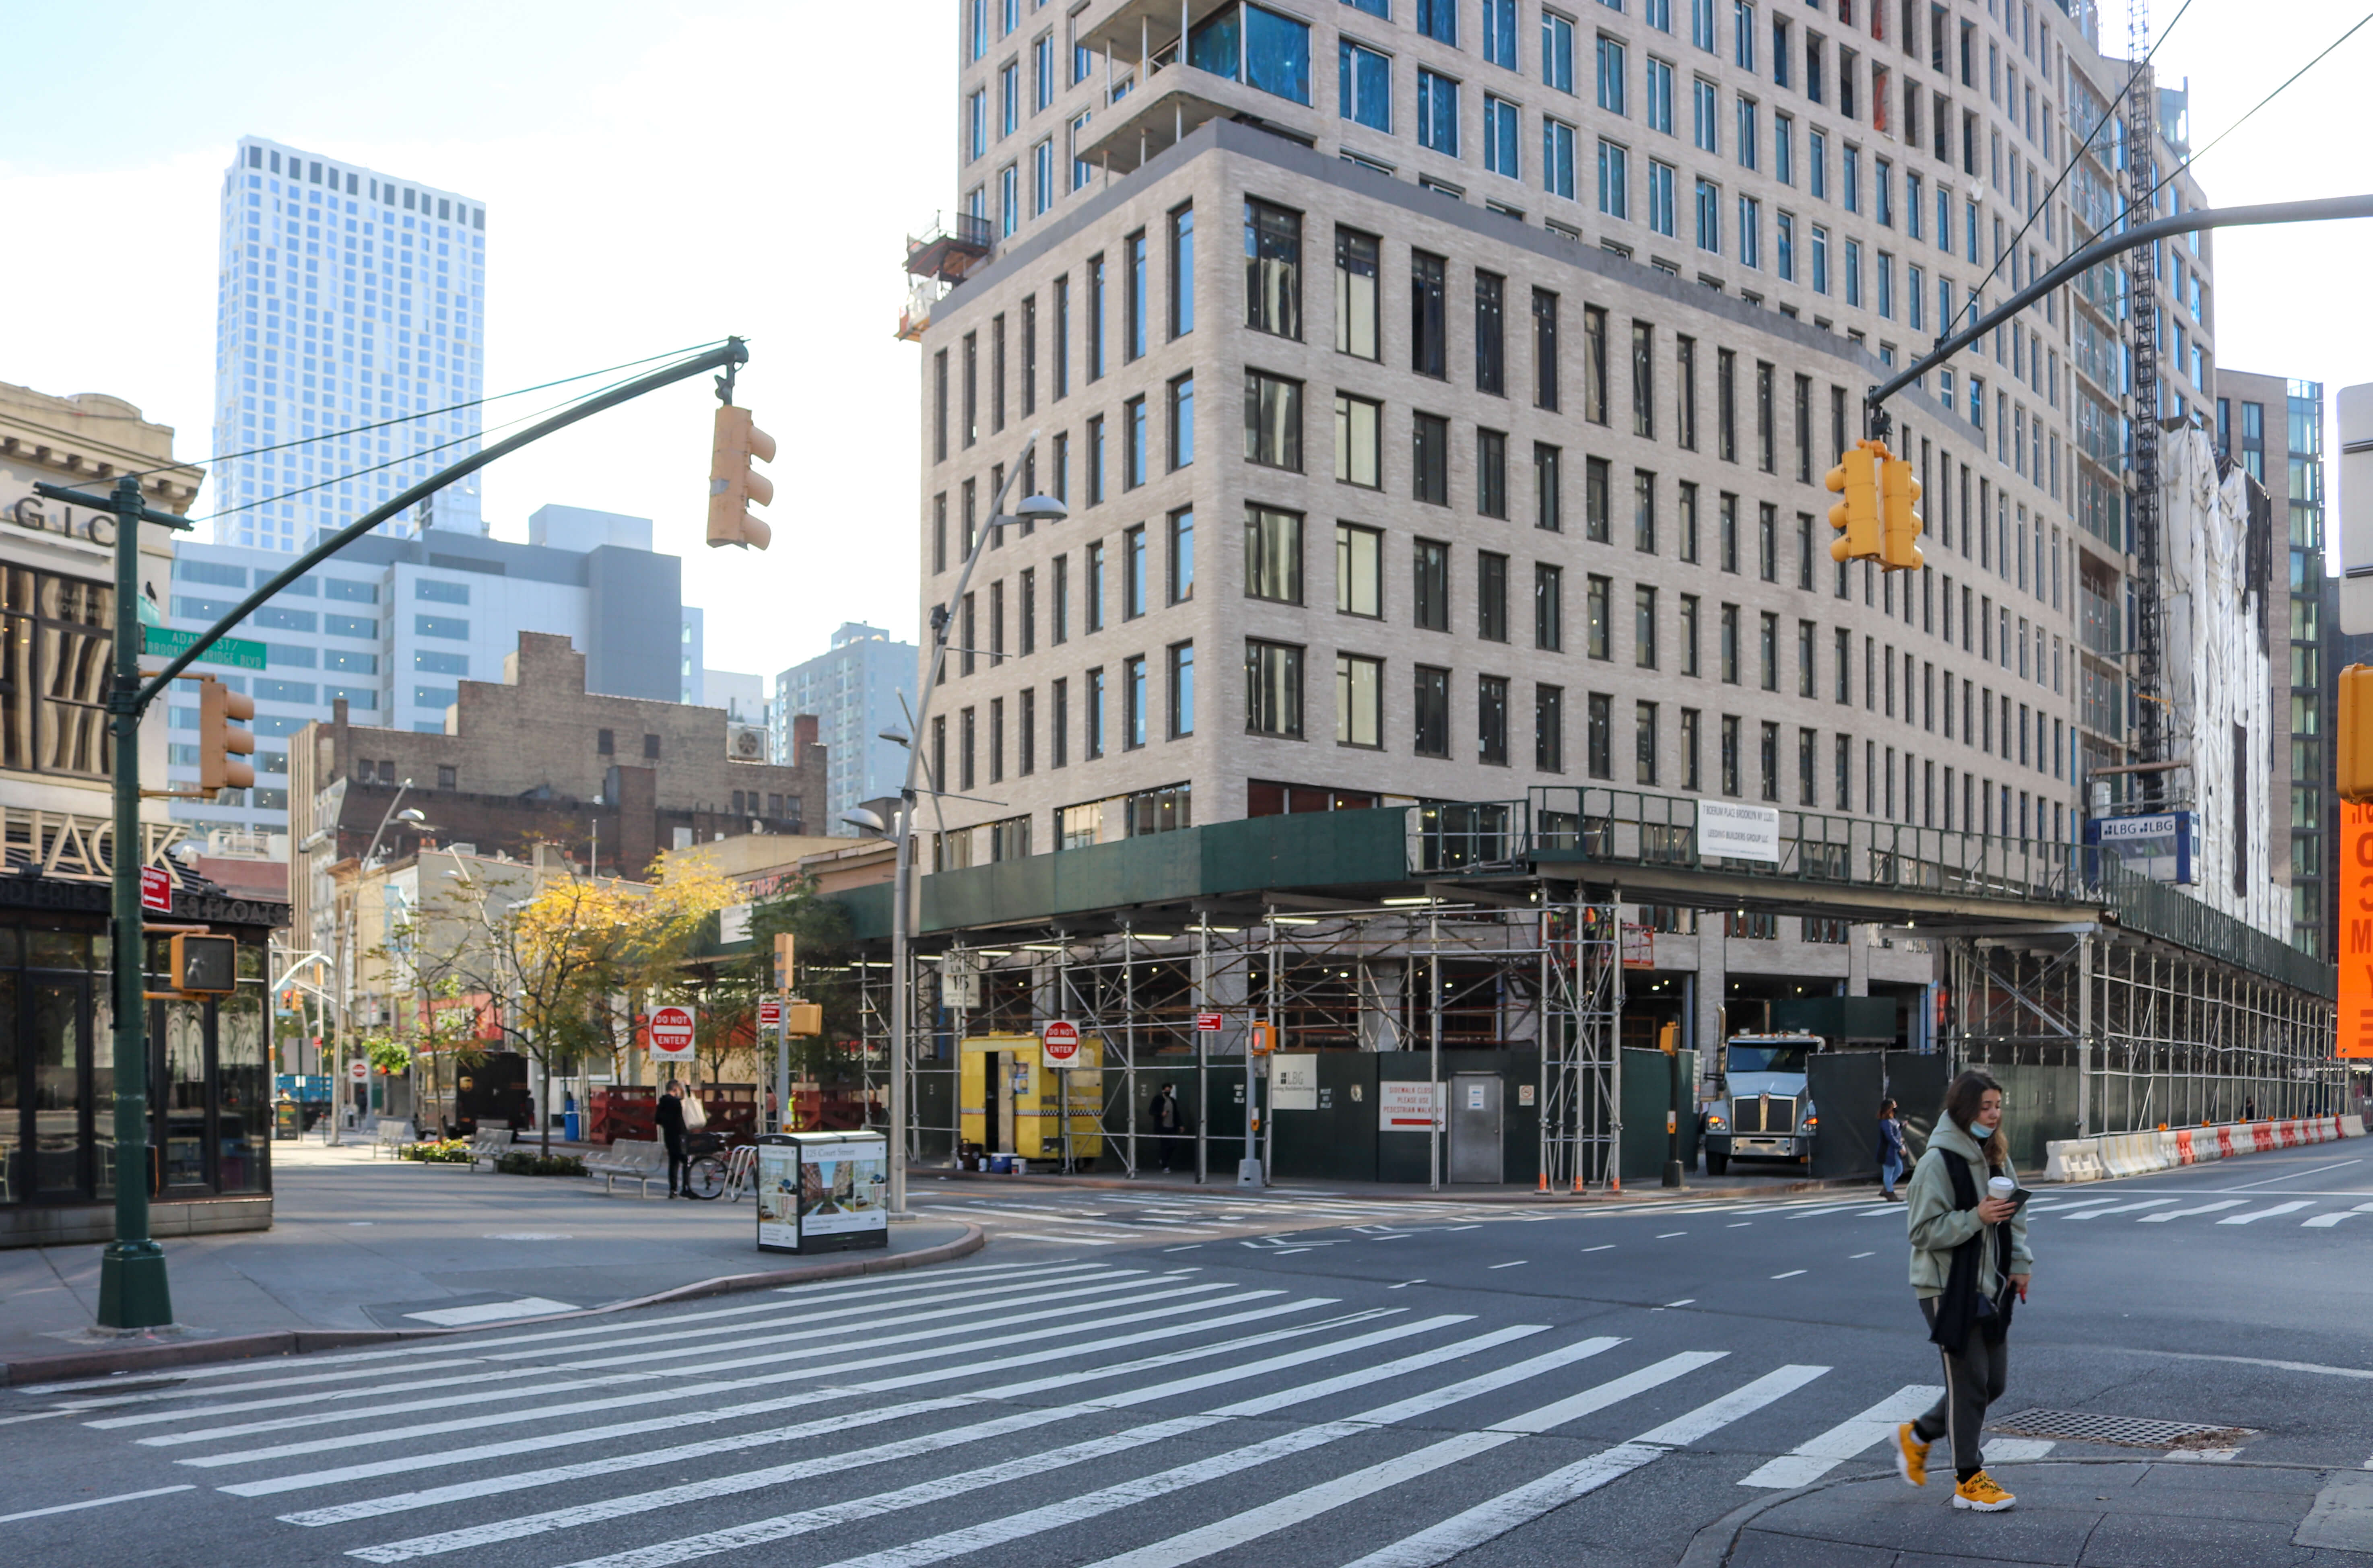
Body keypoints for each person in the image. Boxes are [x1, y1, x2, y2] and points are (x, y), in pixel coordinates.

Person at [1894, 1069, 2033, 1513]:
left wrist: (2019, 1265)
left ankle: (1918, 1435)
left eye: (1997, 1106)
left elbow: (2013, 1217)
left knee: (1993, 1383)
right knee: (1969, 1381)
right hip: (1944, 1286)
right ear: (1962, 1110)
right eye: (1985, 1107)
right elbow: (1921, 1231)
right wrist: (1976, 1216)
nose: (1993, 1115)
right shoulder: (1937, 1161)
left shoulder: (1995, 1155)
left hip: (1988, 1284)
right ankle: (1967, 1479)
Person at [656, 1078, 690, 1199]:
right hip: (680, 1136)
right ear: (676, 1089)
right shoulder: (676, 1103)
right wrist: (686, 1088)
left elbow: (658, 1120)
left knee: (673, 1163)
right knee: (686, 1161)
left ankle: (673, 1190)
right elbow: (686, 1106)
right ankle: (686, 1187)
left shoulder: (662, 1102)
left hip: (669, 1136)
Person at [1876, 1098, 1908, 1201]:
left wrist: (1902, 1125)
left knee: (1899, 1170)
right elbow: (1890, 1137)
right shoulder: (1885, 1122)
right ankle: (1890, 1193)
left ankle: (1887, 1189)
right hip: (1887, 1151)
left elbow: (1897, 1127)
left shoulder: (1892, 1120)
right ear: (1889, 1108)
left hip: (1893, 1151)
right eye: (1894, 1106)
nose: (1896, 1108)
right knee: (1888, 1172)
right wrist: (1900, 1147)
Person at [1148, 1083, 1184, 1172]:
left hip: (1171, 1127)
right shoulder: (1158, 1099)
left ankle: (1164, 1160)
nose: (1168, 1092)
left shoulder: (1172, 1100)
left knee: (1173, 1145)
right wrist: (1161, 1114)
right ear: (1163, 1090)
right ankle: (1165, 1166)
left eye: (1170, 1091)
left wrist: (1180, 1125)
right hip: (1162, 1127)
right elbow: (1151, 1111)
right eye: (1167, 1090)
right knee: (1165, 1146)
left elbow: (1176, 1113)